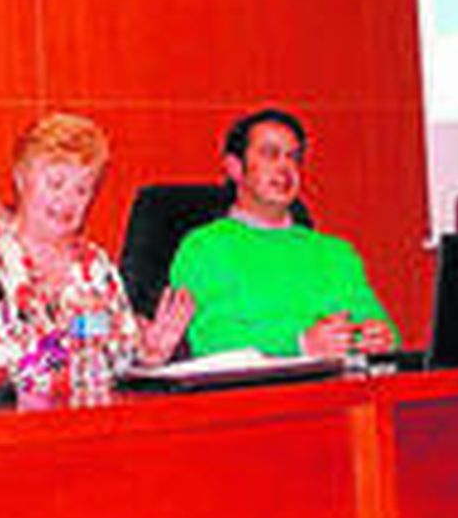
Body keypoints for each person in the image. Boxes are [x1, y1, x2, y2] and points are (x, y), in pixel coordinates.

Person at [0, 113, 193, 393]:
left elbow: (121, 364)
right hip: (11, 417)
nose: (67, 201)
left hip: (94, 413)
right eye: (56, 183)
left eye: (82, 190)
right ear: (21, 179)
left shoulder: (94, 266)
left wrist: (148, 355)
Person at [169, 108, 396, 359]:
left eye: (293, 157)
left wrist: (379, 337)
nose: (285, 168)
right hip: (255, 383)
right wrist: (298, 344)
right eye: (270, 155)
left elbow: (379, 324)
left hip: (342, 380)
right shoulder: (205, 248)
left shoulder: (336, 252)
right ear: (235, 168)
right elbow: (210, 340)